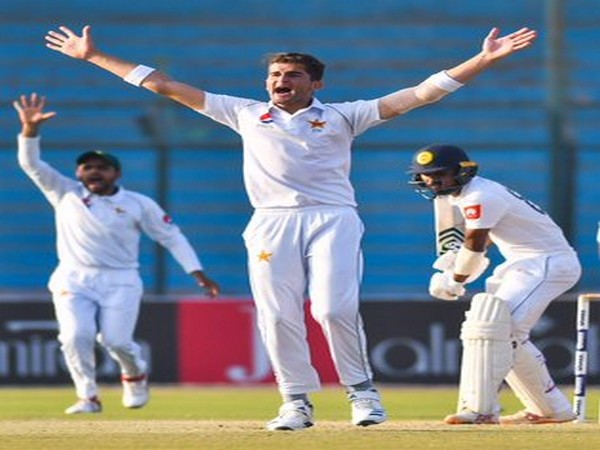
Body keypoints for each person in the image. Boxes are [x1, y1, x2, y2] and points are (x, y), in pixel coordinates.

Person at [44, 24, 536, 430]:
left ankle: (362, 395)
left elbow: (420, 94)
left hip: (333, 217)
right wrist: (93, 57)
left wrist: (483, 60)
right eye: (276, 74)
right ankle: (296, 401)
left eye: (292, 74)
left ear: (314, 83)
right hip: (271, 222)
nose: (281, 81)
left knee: (332, 307)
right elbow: (164, 86)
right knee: (277, 315)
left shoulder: (345, 116)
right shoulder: (243, 113)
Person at [14, 93, 220, 414]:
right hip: (73, 275)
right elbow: (31, 164)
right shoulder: (65, 192)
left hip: (120, 279)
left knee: (115, 341)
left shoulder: (138, 203)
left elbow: (172, 237)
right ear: (79, 173)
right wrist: (30, 130)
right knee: (74, 336)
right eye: (87, 167)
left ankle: (135, 374)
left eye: (102, 168)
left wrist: (197, 272)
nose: (94, 172)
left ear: (117, 174)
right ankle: (88, 396)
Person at [408, 144, 581, 425]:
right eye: (425, 175)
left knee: (498, 330)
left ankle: (481, 410)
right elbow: (482, 241)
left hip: (547, 264)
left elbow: (475, 245)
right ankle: (550, 410)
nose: (432, 181)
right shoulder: (463, 195)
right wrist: (455, 262)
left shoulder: (480, 195)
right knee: (501, 331)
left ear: (460, 171)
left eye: (439, 174)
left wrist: (454, 280)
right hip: (521, 264)